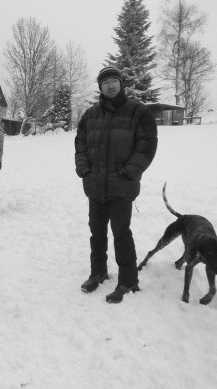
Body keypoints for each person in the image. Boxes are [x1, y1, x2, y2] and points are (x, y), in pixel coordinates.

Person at [74, 66, 158, 303]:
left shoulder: (137, 112)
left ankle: (128, 281)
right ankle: (98, 272)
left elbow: (147, 145)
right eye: (105, 82)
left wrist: (130, 172)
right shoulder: (90, 115)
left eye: (114, 81)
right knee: (97, 233)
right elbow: (80, 143)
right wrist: (84, 169)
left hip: (122, 186)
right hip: (95, 186)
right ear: (99, 86)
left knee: (121, 234)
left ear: (121, 84)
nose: (110, 85)